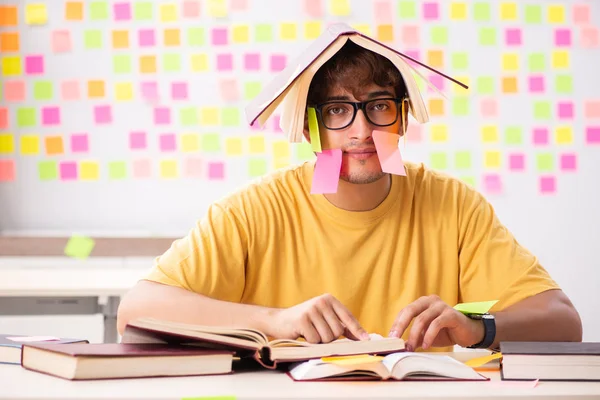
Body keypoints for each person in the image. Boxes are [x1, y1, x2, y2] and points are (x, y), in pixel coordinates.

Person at [117, 40, 582, 352]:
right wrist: (276, 321)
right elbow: (136, 315)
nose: (362, 131)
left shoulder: (453, 204)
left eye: (378, 106)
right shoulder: (253, 210)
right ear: (308, 128)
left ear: (401, 116)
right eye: (338, 110)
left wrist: (479, 328)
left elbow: (563, 321)